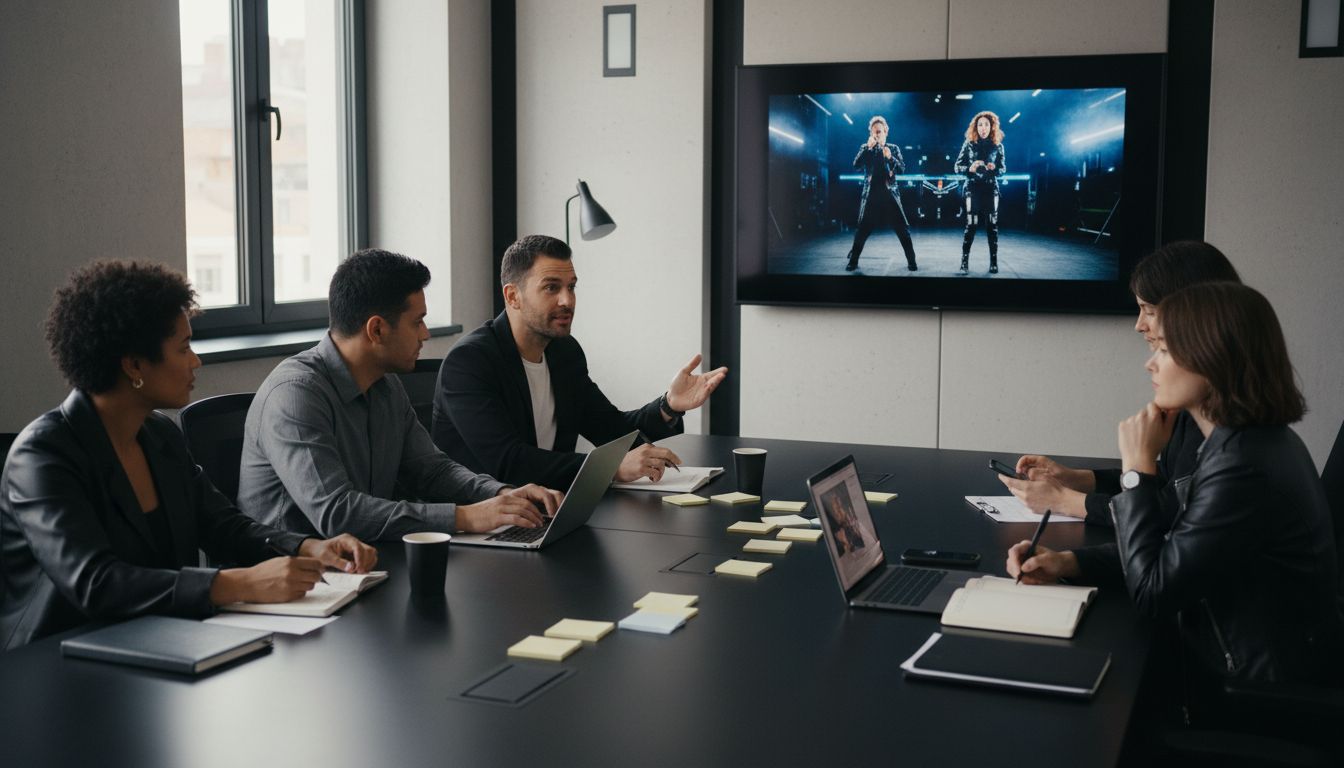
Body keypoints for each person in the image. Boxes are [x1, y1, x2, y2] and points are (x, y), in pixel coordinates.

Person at [0, 261, 377, 650]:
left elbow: (223, 526)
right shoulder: (42, 456)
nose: (196, 361)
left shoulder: (160, 435)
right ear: (134, 365)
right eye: (183, 348)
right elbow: (95, 582)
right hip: (51, 659)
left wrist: (307, 547)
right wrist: (237, 584)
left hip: (152, 641)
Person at [1007, 282, 1342, 691]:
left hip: (1250, 696)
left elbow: (1153, 594)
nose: (1150, 364)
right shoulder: (1244, 443)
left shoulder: (1242, 467)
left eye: (1164, 350)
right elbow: (1177, 550)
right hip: (1231, 664)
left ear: (1212, 359)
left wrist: (1137, 469)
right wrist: (1069, 562)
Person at [237, 249, 563, 541]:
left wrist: (502, 495)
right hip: (297, 576)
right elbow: (337, 513)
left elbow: (432, 470)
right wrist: (465, 517)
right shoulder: (295, 396)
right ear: (377, 329)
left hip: (366, 562)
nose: (426, 334)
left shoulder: (386, 385)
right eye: (417, 322)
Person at [432, 235, 728, 490]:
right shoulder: (469, 362)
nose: (567, 300)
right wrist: (610, 467)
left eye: (571, 287)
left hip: (554, 509)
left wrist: (668, 406)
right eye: (551, 288)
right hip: (483, 522)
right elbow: (508, 462)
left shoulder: (564, 351)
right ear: (513, 296)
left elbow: (610, 429)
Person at [998, 241, 1241, 525]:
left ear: (1195, 315)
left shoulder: (1230, 436)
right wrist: (1074, 479)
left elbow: (1170, 514)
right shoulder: (1201, 403)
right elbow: (1168, 481)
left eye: (1149, 310)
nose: (1139, 325)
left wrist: (1065, 501)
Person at [845, 116, 918, 273]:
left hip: (890, 196)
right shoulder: (866, 148)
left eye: (878, 132)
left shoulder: (893, 149)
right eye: (873, 132)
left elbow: (901, 169)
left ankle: (912, 261)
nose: (875, 135)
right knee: (862, 230)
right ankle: (853, 261)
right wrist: (867, 148)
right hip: (871, 197)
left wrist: (890, 158)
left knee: (902, 230)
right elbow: (856, 165)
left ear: (885, 132)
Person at [954, 111, 1006, 274]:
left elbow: (1003, 169)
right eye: (980, 125)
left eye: (986, 125)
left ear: (992, 127)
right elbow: (957, 167)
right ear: (976, 127)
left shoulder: (998, 146)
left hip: (991, 189)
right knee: (971, 225)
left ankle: (994, 262)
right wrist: (970, 168)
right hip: (973, 188)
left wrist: (994, 168)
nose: (983, 128)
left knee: (992, 225)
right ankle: (964, 262)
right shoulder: (968, 144)